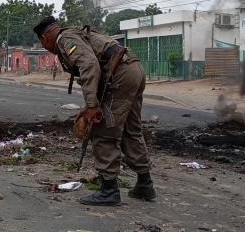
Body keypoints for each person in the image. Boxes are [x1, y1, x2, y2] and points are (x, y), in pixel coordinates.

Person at [33, 15, 155, 206]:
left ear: (44, 38)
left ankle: (109, 190)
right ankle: (145, 184)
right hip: (133, 69)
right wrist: (92, 103)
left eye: (43, 44)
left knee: (103, 130)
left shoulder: (65, 40)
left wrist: (92, 106)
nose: (47, 48)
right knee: (132, 129)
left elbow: (89, 65)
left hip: (120, 74)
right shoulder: (75, 33)